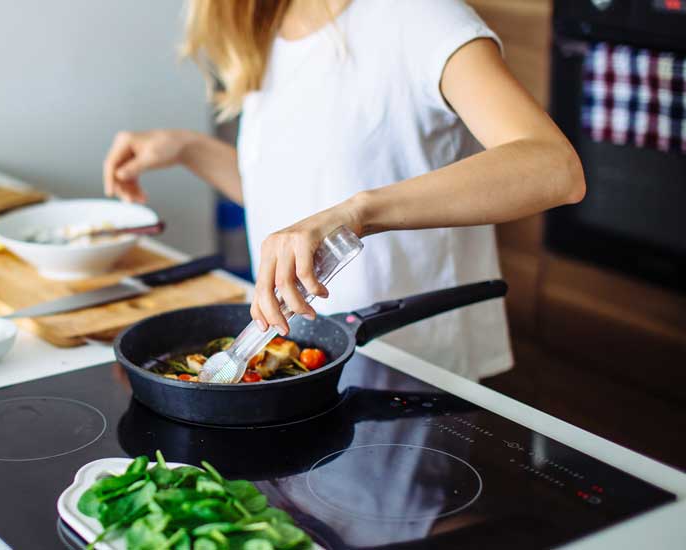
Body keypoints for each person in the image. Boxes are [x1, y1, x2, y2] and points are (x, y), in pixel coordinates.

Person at [102, 0, 585, 380]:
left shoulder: (420, 16)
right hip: (299, 362)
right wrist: (188, 150)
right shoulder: (268, 27)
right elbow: (296, 202)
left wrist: (359, 212)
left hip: (406, 367)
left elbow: (553, 168)